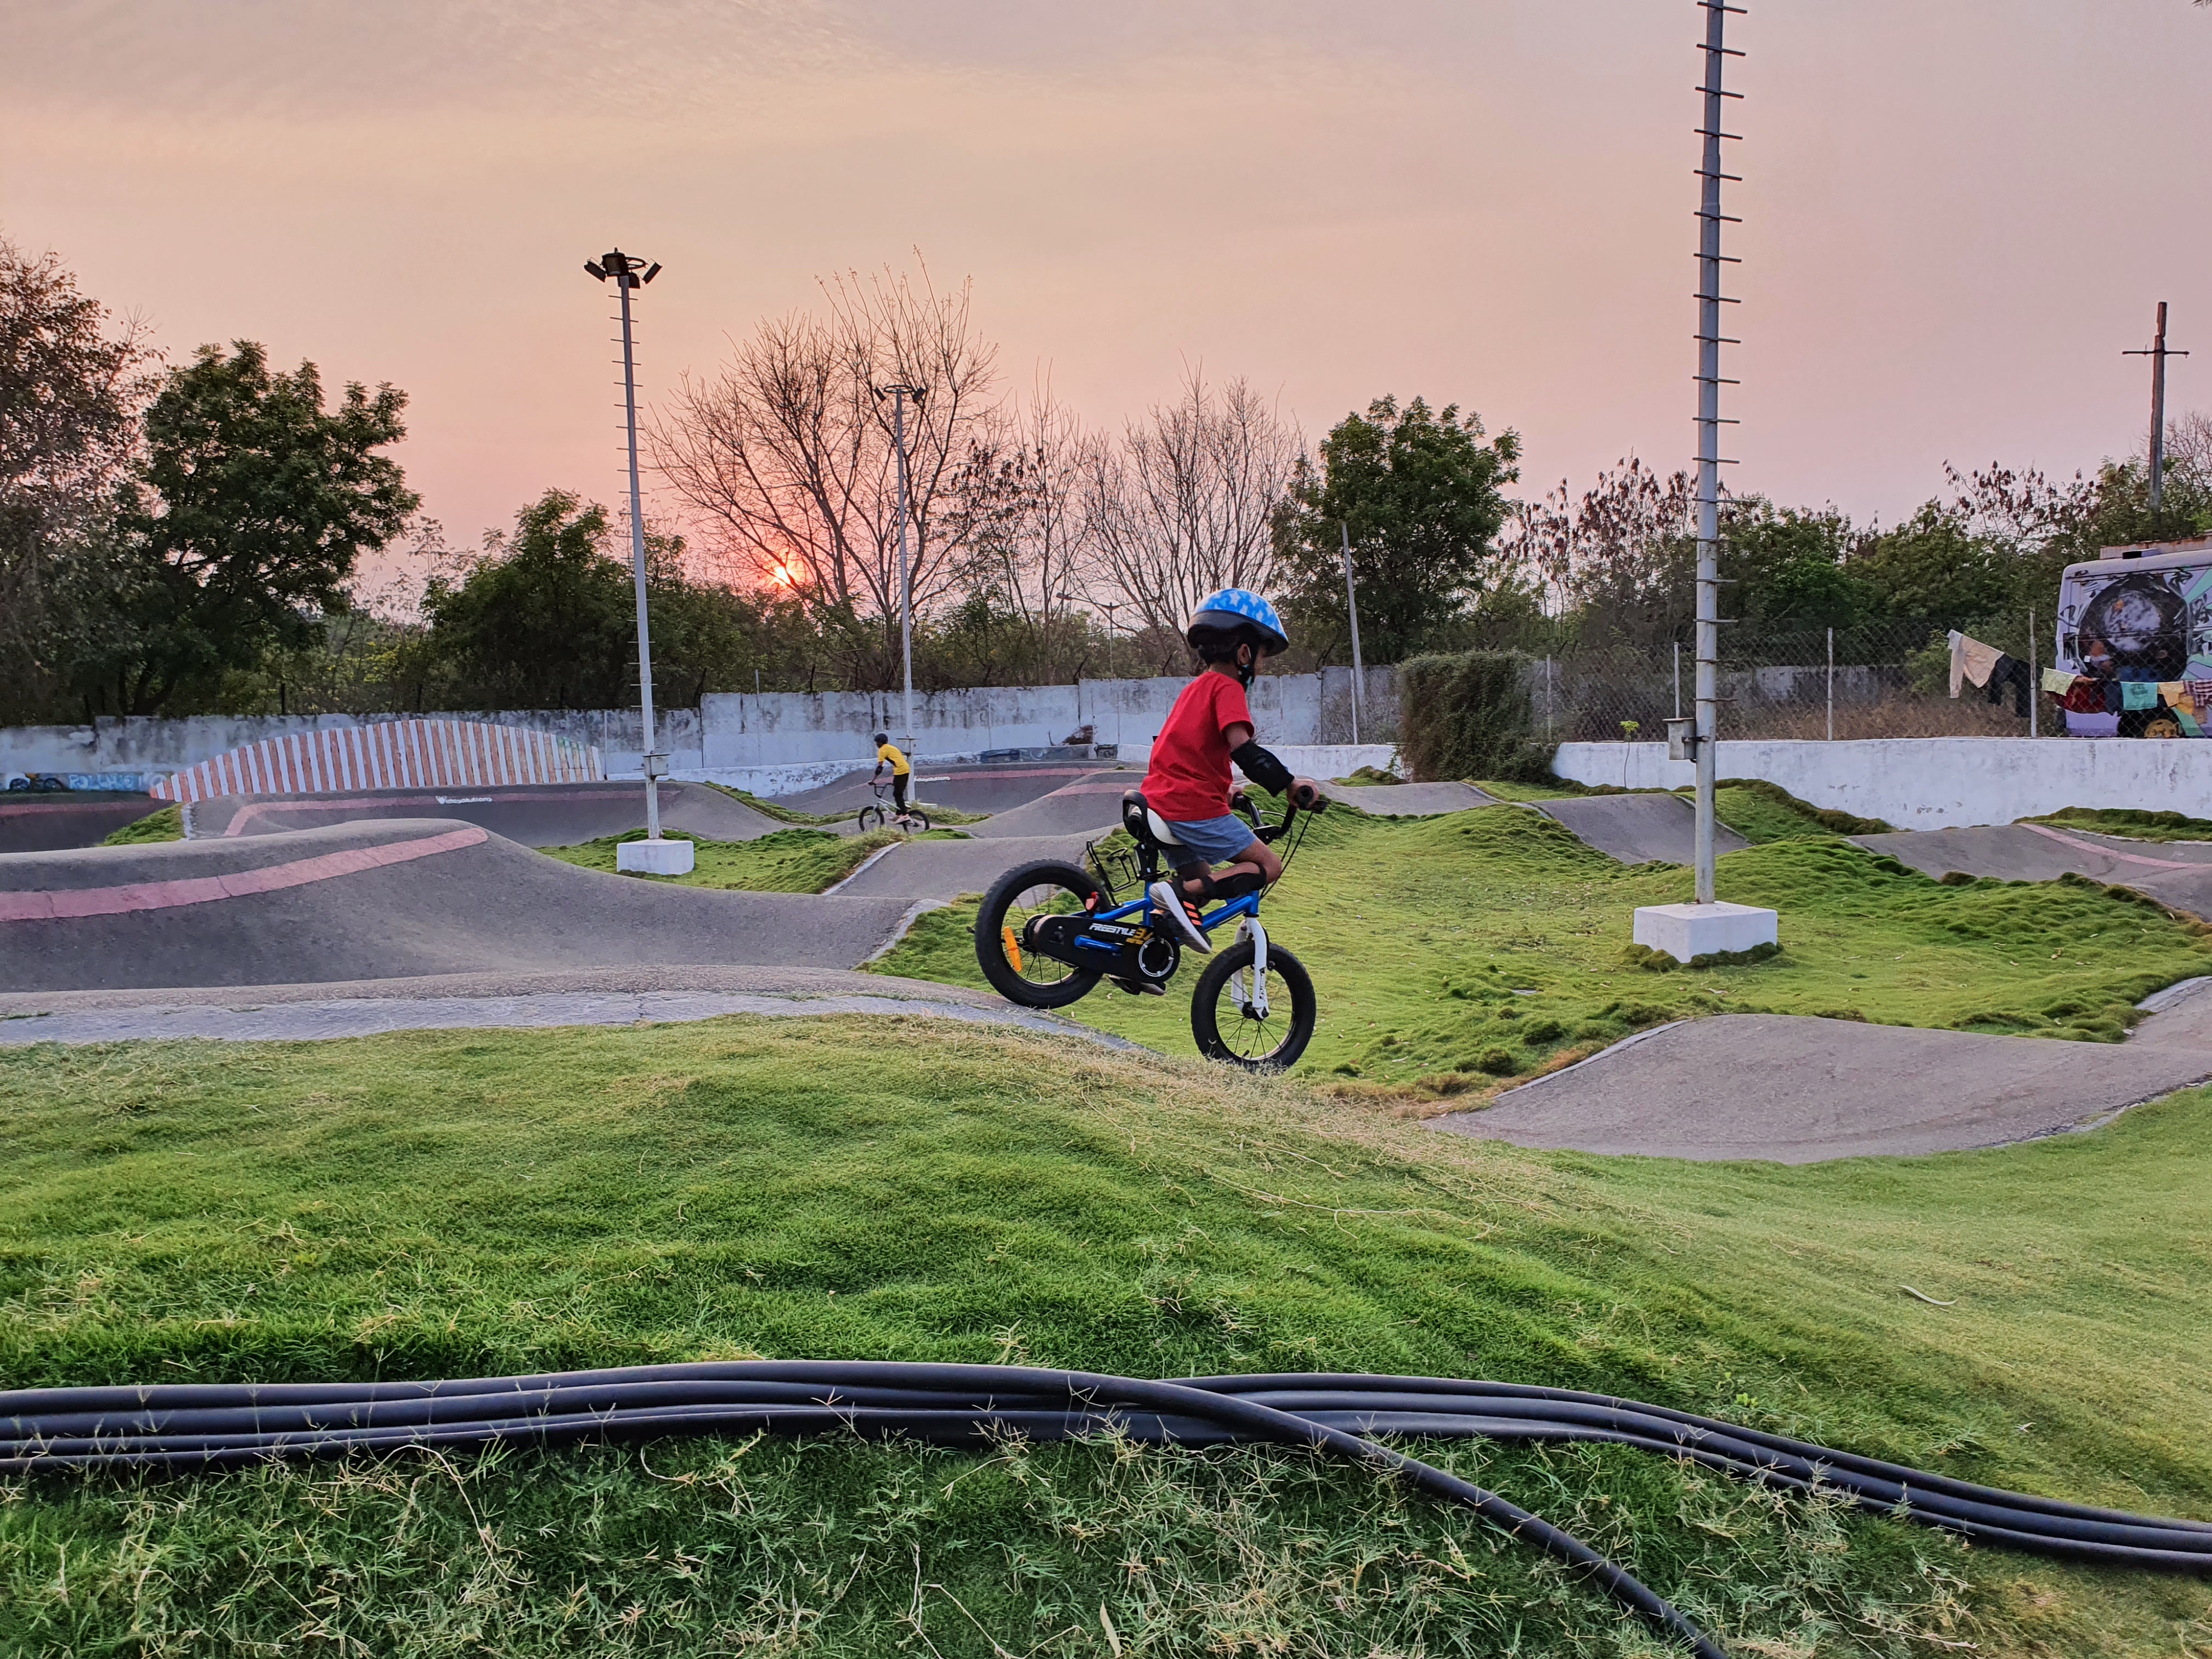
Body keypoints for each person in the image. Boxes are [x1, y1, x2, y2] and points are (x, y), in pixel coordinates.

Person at [1140, 589, 1321, 954]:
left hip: (1158, 801)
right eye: (1262, 658)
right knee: (1268, 866)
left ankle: (1145, 954)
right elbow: (1243, 749)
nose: (1260, 668)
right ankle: (1176, 893)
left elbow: (1187, 755)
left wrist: (1228, 792)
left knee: (1200, 889)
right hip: (1191, 809)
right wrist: (1289, 784)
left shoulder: (1195, 689)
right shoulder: (1228, 688)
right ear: (1243, 654)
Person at [872, 731, 912, 819]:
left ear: (880, 743)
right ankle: (899, 814)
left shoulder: (882, 750)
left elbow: (880, 768)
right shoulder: (892, 747)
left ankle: (904, 815)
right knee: (898, 793)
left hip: (900, 771)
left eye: (877, 743)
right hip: (905, 769)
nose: (877, 745)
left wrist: (873, 780)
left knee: (897, 794)